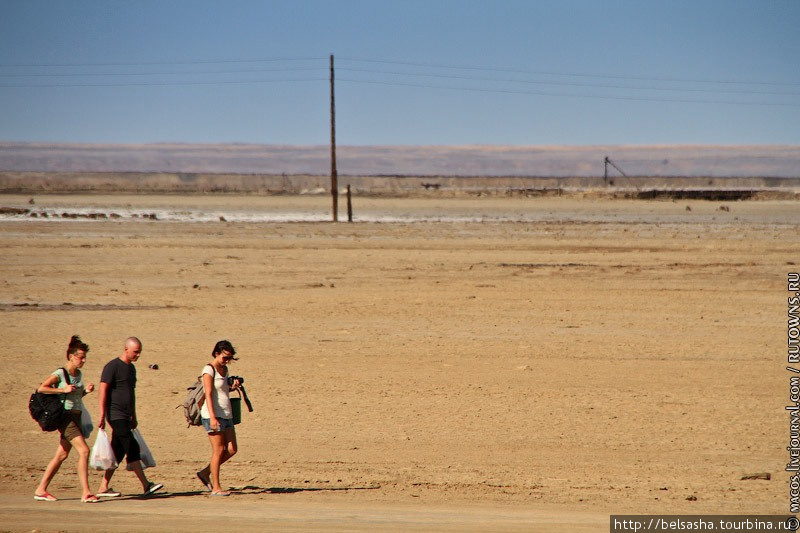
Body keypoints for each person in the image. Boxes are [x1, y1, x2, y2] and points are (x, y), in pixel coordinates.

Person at [96, 336, 163, 498]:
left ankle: (103, 487)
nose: (138, 355)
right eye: (135, 352)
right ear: (126, 349)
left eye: (140, 352)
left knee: (117, 451)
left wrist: (134, 415)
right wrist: (102, 414)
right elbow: (103, 389)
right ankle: (146, 485)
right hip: (115, 414)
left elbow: (131, 393)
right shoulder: (112, 366)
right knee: (131, 446)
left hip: (126, 415)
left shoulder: (131, 369)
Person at [34, 335, 99, 503]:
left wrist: (86, 392)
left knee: (62, 454)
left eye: (85, 357)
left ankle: (41, 489)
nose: (83, 360)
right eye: (80, 357)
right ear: (71, 357)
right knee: (84, 451)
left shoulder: (79, 374)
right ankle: (86, 492)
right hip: (66, 418)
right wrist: (62, 390)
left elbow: (75, 397)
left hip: (76, 416)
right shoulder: (59, 373)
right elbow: (42, 389)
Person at [195, 340, 241, 496]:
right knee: (219, 450)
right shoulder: (208, 369)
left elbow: (222, 390)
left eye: (229, 358)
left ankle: (205, 473)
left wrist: (232, 387)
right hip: (212, 415)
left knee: (232, 449)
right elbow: (208, 394)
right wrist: (213, 418)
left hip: (227, 414)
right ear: (216, 353)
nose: (227, 361)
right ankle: (216, 487)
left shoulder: (224, 369)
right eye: (225, 357)